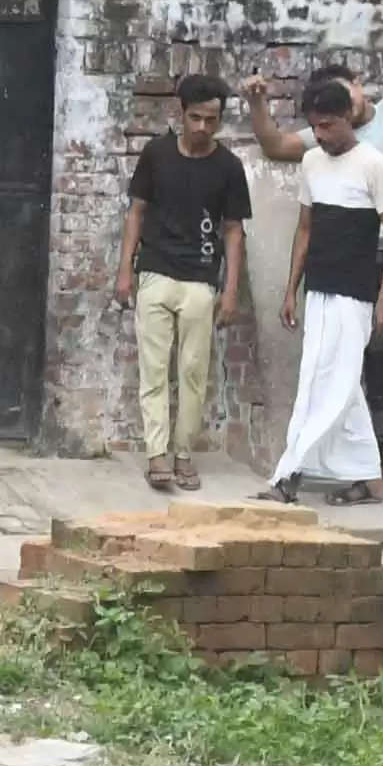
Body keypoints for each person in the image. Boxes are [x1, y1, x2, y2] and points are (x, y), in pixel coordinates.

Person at [250, 47, 383, 489]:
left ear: (357, 93)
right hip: (357, 260)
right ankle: (379, 460)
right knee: (374, 365)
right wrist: (257, 103)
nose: (324, 129)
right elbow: (275, 147)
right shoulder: (320, 144)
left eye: (348, 96)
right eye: (318, 124)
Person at [266, 72, 383, 504]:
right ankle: (370, 479)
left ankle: (289, 474)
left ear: (348, 118)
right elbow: (305, 229)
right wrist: (291, 289)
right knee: (329, 381)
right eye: (315, 127)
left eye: (329, 125)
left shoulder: (374, 163)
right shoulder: (310, 163)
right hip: (319, 287)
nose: (321, 135)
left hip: (356, 291)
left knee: (330, 385)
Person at [120, 70, 249, 494]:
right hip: (155, 271)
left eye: (211, 120)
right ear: (181, 112)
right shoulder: (156, 154)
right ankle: (156, 456)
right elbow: (136, 212)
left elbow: (233, 230)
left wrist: (230, 290)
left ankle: (184, 455)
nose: (202, 127)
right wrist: (125, 271)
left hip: (200, 280)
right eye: (195, 118)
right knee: (153, 370)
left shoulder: (228, 166)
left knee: (194, 372)